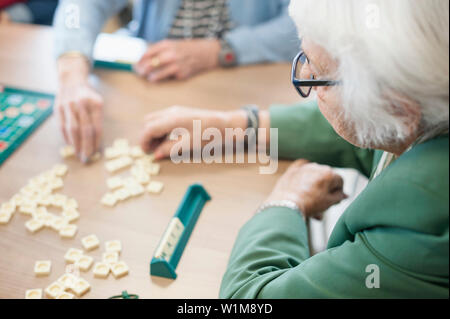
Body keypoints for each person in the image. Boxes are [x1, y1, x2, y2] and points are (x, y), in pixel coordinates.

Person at [139, 0, 449, 298]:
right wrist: (235, 126)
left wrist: (284, 204)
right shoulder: (425, 101)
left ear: (396, 110)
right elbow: (374, 131)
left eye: (318, 75)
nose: (307, 84)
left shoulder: (421, 225)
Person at [52, 0, 300, 162]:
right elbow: (77, 5)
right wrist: (72, 68)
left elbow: (301, 21)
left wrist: (221, 50)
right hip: (153, 87)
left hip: (250, 91)